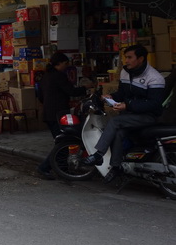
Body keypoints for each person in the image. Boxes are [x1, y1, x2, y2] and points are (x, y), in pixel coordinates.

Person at [82, 44, 167, 183]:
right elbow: (122, 93)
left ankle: (99, 154)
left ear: (140, 59)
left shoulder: (155, 78)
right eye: (125, 57)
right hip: (130, 116)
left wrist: (128, 105)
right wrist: (111, 96)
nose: (126, 61)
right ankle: (116, 168)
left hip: (148, 117)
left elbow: (154, 104)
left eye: (129, 57)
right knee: (119, 133)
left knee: (115, 122)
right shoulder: (125, 72)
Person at [36, 52, 89, 180]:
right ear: (58, 63)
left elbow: (39, 95)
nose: (66, 66)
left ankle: (62, 169)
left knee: (62, 142)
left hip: (49, 113)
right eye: (65, 63)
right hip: (57, 114)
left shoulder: (46, 76)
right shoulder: (59, 76)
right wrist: (85, 89)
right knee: (63, 142)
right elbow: (71, 91)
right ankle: (44, 168)